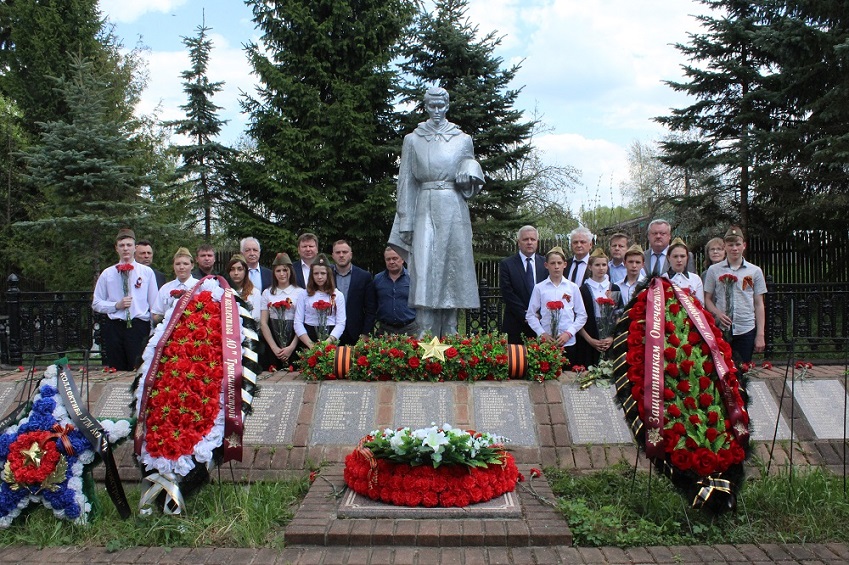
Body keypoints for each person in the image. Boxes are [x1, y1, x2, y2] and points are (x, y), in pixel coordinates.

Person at [387, 87, 483, 338]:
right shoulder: (413, 139)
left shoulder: (462, 139)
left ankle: (451, 331)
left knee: (453, 267)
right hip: (424, 205)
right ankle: (425, 332)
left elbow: (470, 174)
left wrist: (469, 176)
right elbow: (406, 181)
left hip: (453, 206)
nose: (437, 111)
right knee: (425, 268)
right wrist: (405, 219)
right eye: (432, 106)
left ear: (447, 105)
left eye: (441, 106)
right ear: (426, 106)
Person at [92, 228, 159, 371]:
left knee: (138, 369)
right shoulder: (108, 274)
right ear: (116, 248)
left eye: (129, 245)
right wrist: (116, 305)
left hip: (138, 326)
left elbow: (154, 304)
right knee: (116, 368)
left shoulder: (146, 273)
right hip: (115, 327)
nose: (125, 249)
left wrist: (153, 330)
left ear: (135, 247)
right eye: (122, 245)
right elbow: (96, 303)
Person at [704, 226, 767, 364]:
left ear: (744, 246)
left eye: (738, 244)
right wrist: (717, 313)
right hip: (721, 328)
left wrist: (760, 334)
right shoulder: (714, 270)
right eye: (730, 245)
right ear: (725, 247)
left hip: (745, 328)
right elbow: (707, 299)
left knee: (742, 370)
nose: (734, 248)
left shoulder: (754, 271)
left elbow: (759, 303)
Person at [525, 246, 587, 364]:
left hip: (567, 342)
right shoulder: (539, 288)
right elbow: (530, 315)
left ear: (565, 264)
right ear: (546, 265)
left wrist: (569, 333)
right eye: (553, 263)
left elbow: (582, 315)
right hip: (546, 342)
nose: (556, 266)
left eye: (559, 263)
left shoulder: (572, 287)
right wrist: (542, 333)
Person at [499, 225, 548, 344]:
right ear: (518, 242)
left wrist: (539, 314)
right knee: (518, 361)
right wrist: (526, 315)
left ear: (537, 242)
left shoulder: (545, 263)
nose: (529, 242)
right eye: (525, 239)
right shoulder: (507, 264)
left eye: (533, 239)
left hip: (542, 323)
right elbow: (507, 293)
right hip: (517, 322)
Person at [574, 248, 621, 368]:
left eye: (604, 264)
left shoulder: (614, 288)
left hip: (609, 342)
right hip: (588, 340)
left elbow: (619, 314)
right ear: (590, 267)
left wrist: (611, 337)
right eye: (597, 265)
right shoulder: (582, 290)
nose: (601, 268)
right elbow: (578, 318)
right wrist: (590, 340)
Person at [260, 253, 305, 366]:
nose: (282, 274)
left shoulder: (300, 293)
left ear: (290, 271)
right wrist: (274, 347)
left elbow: (302, 322)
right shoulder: (267, 293)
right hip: (273, 342)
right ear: (274, 273)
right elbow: (263, 323)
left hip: (295, 342)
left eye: (285, 270)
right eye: (278, 271)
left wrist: (291, 347)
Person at [294, 254, 347, 347]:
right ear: (311, 275)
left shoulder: (338, 295)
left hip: (330, 338)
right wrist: (310, 345)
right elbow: (298, 322)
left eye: (323, 273)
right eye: (316, 273)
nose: (319, 277)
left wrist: (327, 343)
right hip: (308, 338)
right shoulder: (303, 294)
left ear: (328, 274)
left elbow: (341, 323)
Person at [331, 240, 376, 345]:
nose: (341, 255)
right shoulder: (325, 274)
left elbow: (371, 309)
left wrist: (366, 333)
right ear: (333, 255)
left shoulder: (364, 276)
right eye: (338, 252)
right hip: (331, 332)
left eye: (345, 252)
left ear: (351, 255)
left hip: (355, 333)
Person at [373, 247, 418, 336]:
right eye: (388, 259)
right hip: (385, 330)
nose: (391, 262)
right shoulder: (377, 279)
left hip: (409, 329)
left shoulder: (413, 278)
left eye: (395, 258)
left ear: (402, 259)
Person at [151, 247, 199, 325]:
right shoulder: (165, 289)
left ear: (192, 265)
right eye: (177, 264)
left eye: (185, 264)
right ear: (173, 265)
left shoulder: (199, 286)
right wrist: (168, 319)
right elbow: (155, 315)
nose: (181, 267)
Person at [664, 237, 704, 302]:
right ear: (668, 258)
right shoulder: (662, 278)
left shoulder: (696, 279)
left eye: (682, 256)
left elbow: (701, 305)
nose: (679, 260)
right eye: (675, 256)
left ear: (687, 257)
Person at [227, 254, 261, 322]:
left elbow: (256, 319)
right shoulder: (223, 291)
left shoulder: (254, 293)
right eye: (232, 269)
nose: (236, 273)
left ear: (245, 271)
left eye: (240, 269)